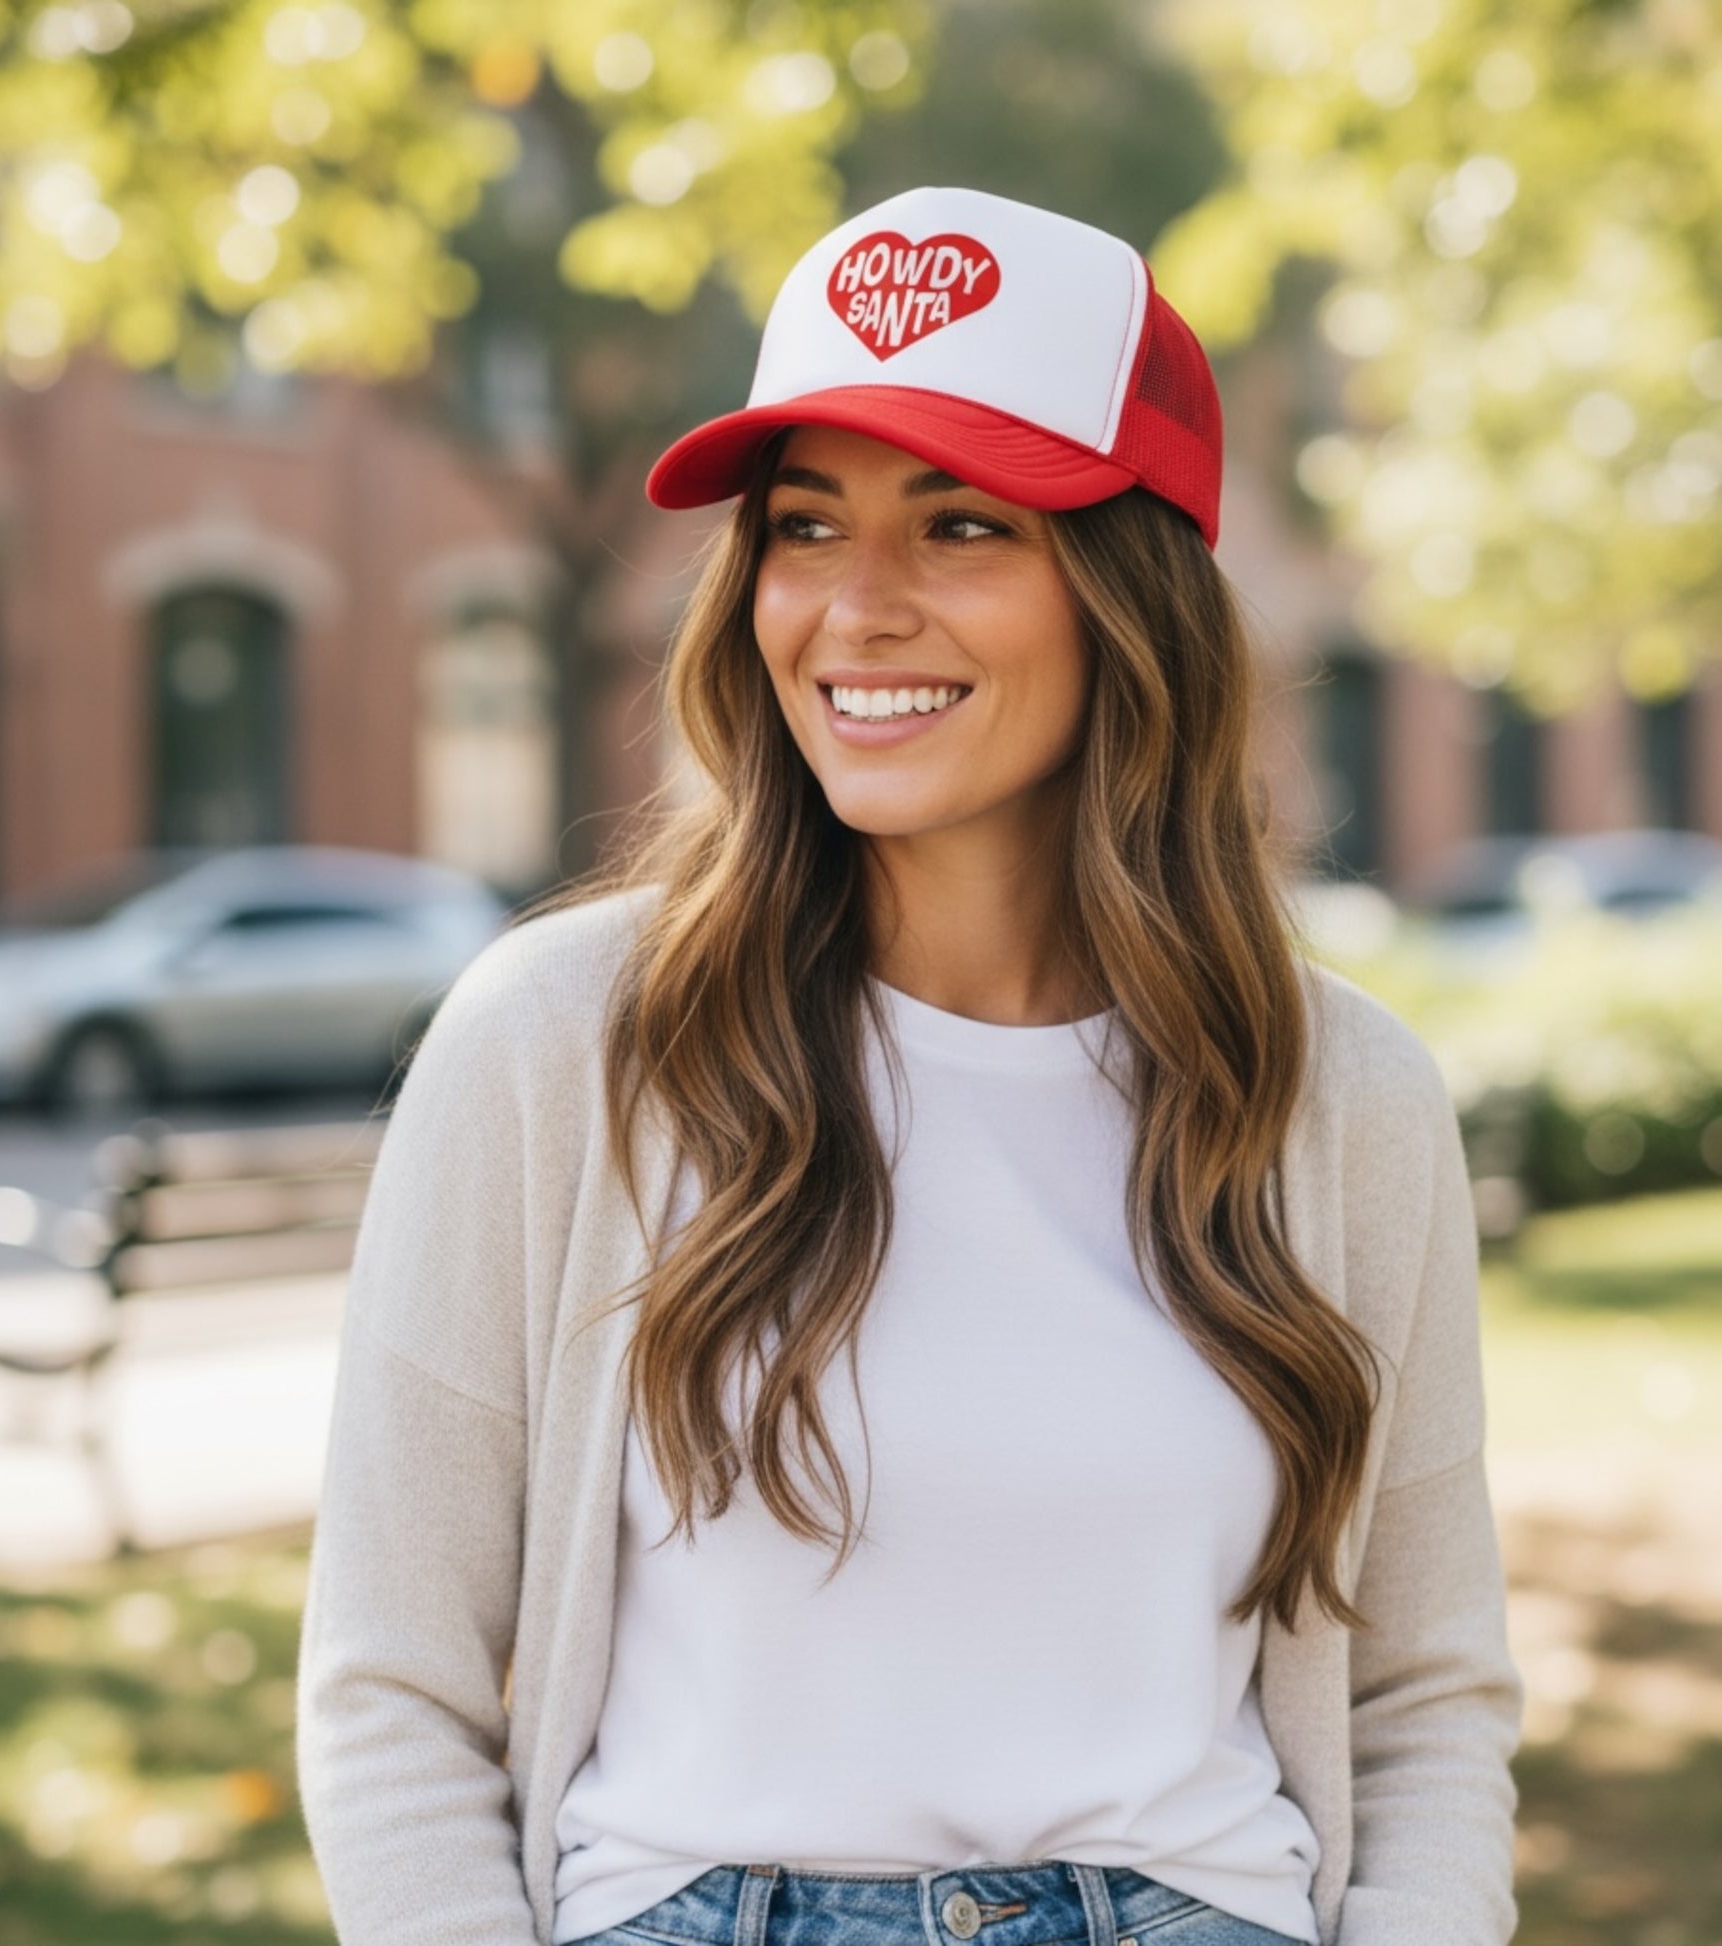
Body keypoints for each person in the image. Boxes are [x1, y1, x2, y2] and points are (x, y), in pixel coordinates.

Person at [296, 186, 1522, 1946]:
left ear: (1130, 595)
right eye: (804, 525)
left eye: (959, 525)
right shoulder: (559, 1046)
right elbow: (389, 1686)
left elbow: (1422, 1700)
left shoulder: (1337, 1096)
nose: (854, 607)